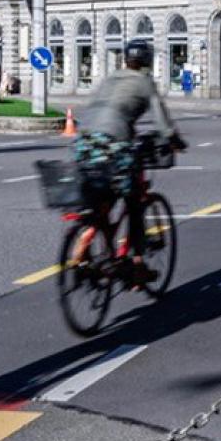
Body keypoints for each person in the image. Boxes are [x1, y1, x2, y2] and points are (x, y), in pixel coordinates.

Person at [74, 40, 183, 275]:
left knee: (104, 191)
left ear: (126, 59)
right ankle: (136, 262)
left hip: (84, 140)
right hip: (113, 143)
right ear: (147, 61)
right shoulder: (144, 82)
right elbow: (161, 121)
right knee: (134, 198)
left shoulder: (111, 78)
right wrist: (174, 140)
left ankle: (88, 233)